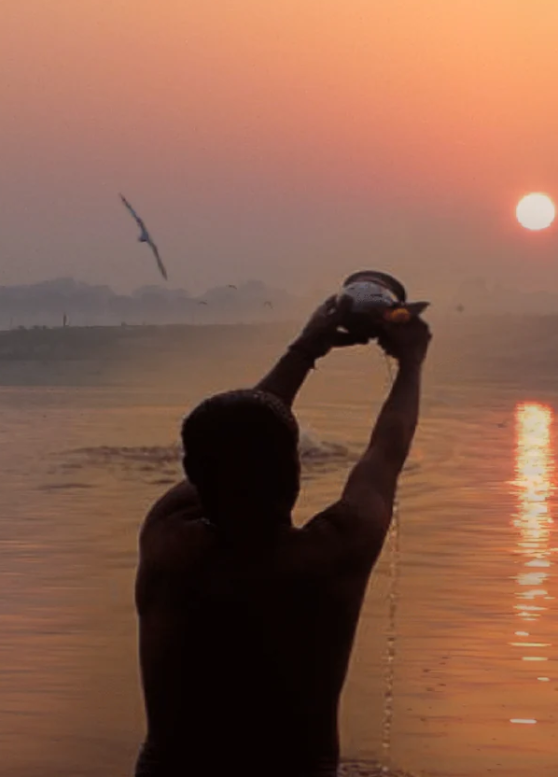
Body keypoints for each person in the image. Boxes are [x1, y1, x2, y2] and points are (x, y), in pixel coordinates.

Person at [133, 295, 430, 777]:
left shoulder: (169, 545)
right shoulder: (332, 553)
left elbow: (230, 438)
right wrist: (410, 362)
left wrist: (306, 348)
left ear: (191, 472)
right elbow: (386, 452)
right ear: (296, 470)